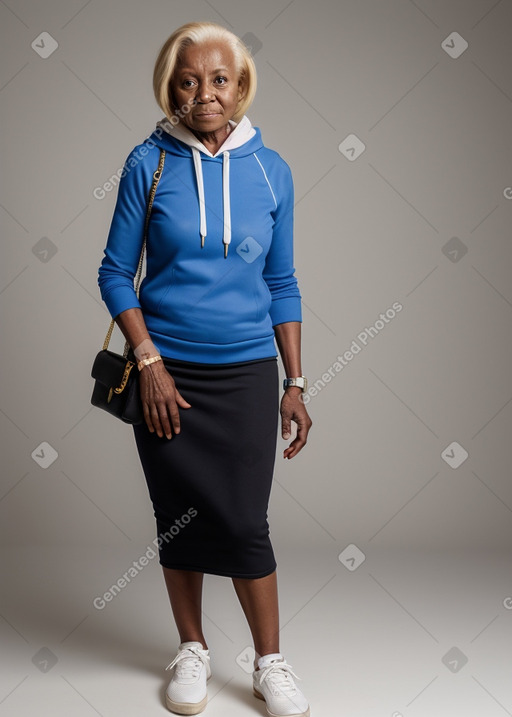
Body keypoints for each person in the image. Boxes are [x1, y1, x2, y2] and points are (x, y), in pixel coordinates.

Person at [97, 20, 312, 717]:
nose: (205, 94)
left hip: (247, 371)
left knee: (248, 520)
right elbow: (114, 274)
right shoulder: (146, 162)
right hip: (168, 372)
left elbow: (282, 283)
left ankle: (270, 663)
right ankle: (192, 648)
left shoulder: (270, 168)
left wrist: (296, 382)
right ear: (172, 87)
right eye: (189, 80)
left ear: (240, 84)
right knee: (177, 514)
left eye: (220, 79)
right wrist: (149, 361)